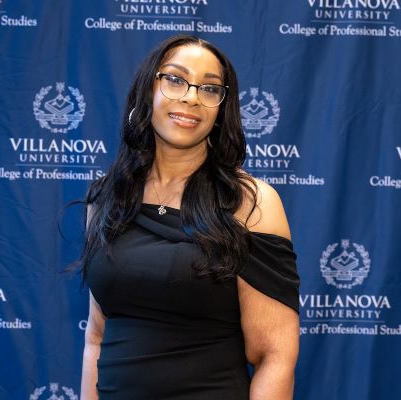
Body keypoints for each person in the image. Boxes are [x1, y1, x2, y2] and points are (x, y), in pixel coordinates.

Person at [79, 34, 299, 400]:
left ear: (220, 109)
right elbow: (96, 337)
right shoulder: (105, 197)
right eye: (175, 79)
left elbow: (273, 356)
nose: (191, 97)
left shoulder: (250, 202)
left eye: (209, 88)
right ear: (148, 89)